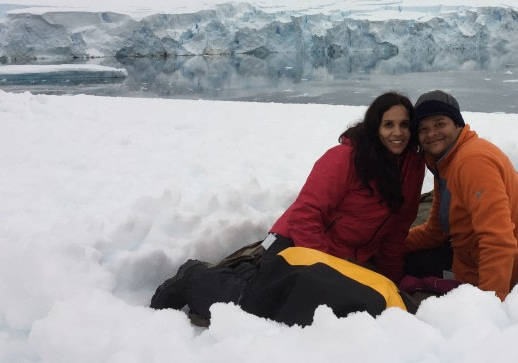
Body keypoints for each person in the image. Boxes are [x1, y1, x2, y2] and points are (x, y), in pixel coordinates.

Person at [150, 91, 426, 322]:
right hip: (297, 244)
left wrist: (392, 279)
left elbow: (396, 230)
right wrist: (327, 266)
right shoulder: (346, 158)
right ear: (374, 127)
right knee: (264, 309)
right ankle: (195, 277)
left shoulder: (412, 169)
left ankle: (250, 275)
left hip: (347, 259)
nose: (397, 133)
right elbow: (306, 215)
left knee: (352, 309)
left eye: (404, 125)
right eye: (388, 124)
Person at [404, 90, 518, 301]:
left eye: (439, 124)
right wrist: (392, 244)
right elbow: (435, 232)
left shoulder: (472, 162)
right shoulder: (448, 161)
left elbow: (498, 241)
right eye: (423, 128)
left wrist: (489, 307)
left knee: (410, 265)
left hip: (515, 272)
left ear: (457, 124)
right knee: (404, 254)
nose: (431, 134)